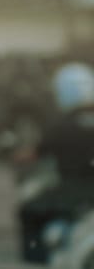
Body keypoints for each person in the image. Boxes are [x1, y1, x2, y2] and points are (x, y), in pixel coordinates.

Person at [18, 62, 94, 263]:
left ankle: (38, 260)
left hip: (72, 191)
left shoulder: (60, 126)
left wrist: (17, 154)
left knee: (28, 211)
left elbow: (33, 154)